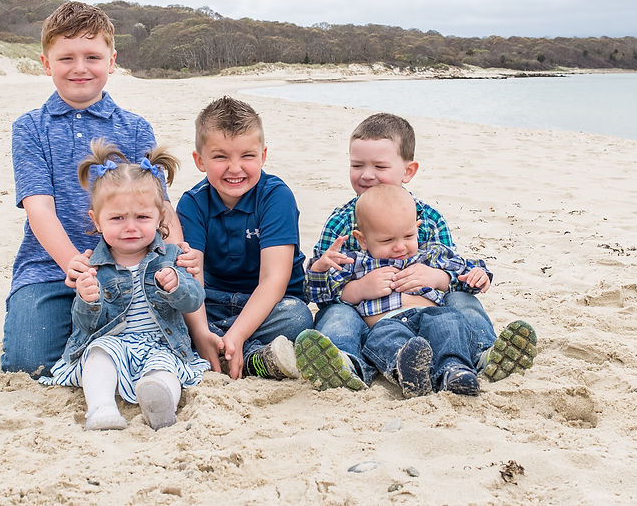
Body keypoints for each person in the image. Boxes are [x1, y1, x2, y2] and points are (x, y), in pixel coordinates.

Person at [3, 0, 193, 377]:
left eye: (92, 56)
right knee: (28, 364)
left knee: (164, 339)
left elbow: (161, 207)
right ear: (46, 64)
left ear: (111, 61)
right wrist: (73, 264)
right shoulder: (30, 128)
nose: (79, 68)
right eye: (66, 58)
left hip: (133, 267)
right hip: (52, 269)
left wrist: (174, 256)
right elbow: (39, 208)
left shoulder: (135, 128)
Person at [296, 113, 508, 391]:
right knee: (336, 314)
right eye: (357, 165)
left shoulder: (428, 218)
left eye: (380, 166)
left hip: (428, 310)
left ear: (408, 171)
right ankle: (345, 361)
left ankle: (483, 353)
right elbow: (320, 293)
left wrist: (438, 277)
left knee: (460, 303)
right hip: (369, 317)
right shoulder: (340, 222)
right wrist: (357, 288)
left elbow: (456, 268)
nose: (367, 174)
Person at [307, 184, 537, 397]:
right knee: (386, 340)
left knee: (450, 325)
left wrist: (478, 275)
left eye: (408, 236)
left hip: (432, 314)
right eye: (387, 240)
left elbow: (464, 270)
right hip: (385, 322)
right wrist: (356, 287)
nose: (400, 246)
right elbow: (323, 296)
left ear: (417, 229)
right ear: (363, 240)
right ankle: (406, 371)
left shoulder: (430, 254)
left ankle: (454, 370)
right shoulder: (355, 262)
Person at [40, 142, 209, 430]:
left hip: (161, 343)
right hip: (113, 341)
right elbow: (84, 324)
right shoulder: (92, 266)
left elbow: (194, 300)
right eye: (117, 218)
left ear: (159, 218)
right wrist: (87, 298)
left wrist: (177, 286)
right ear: (97, 220)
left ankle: (160, 401)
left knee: (164, 369)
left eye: (142, 217)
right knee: (98, 356)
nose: (130, 227)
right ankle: (101, 408)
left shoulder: (172, 257)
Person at [176, 96, 314, 380]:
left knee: (298, 317)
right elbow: (193, 281)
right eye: (220, 156)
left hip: (270, 303)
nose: (235, 168)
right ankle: (238, 352)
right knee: (173, 313)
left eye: (247, 156)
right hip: (213, 301)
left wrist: (237, 334)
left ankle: (234, 349)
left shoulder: (275, 197)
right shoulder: (192, 204)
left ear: (263, 156)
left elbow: (274, 281)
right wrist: (202, 333)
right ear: (200, 160)